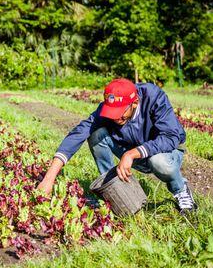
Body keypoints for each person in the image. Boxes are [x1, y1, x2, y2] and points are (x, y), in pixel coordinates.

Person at [37, 78, 197, 214]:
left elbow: (171, 137)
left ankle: (180, 190)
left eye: (120, 111)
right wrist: (49, 178)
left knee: (159, 162)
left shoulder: (154, 97)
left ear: (135, 103)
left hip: (164, 152)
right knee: (96, 134)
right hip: (132, 152)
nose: (114, 117)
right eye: (111, 112)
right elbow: (78, 133)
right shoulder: (109, 109)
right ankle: (114, 191)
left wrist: (132, 154)